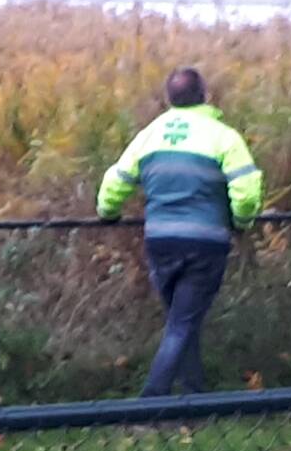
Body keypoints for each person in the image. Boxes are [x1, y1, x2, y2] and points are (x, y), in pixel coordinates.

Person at [96, 67, 263, 397]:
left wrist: (108, 213)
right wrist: (241, 223)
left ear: (168, 98)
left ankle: (193, 397)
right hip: (205, 243)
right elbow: (246, 192)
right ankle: (152, 401)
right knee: (182, 324)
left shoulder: (149, 135)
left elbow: (116, 180)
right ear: (205, 95)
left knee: (183, 321)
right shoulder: (223, 137)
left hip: (160, 241)